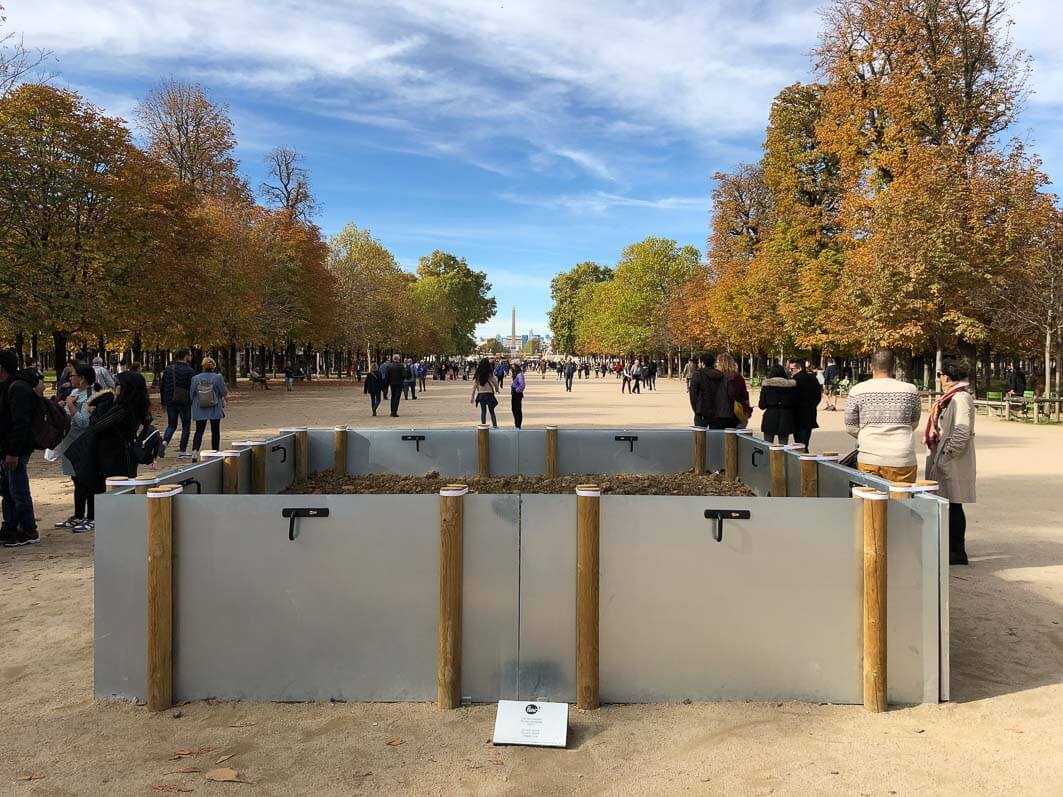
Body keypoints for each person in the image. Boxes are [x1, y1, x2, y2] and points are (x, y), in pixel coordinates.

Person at [925, 359, 977, 565]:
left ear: (946, 376)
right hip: (947, 455)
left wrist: (947, 453)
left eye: (939, 375)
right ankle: (950, 548)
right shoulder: (952, 397)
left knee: (954, 503)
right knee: (948, 502)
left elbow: (962, 429)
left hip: (953, 458)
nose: (939, 379)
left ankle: (956, 550)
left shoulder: (960, 398)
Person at [844, 348, 922, 482]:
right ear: (894, 366)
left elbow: (850, 426)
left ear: (871, 366)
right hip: (902, 457)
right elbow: (914, 422)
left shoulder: (857, 390)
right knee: (903, 500)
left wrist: (866, 434)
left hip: (869, 457)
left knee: (869, 501)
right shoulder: (910, 390)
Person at [0, 350, 39, 546]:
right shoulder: (7, 386)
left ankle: (28, 528)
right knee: (8, 490)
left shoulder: (17, 388)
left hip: (15, 449)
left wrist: (13, 452)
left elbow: (20, 424)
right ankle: (11, 526)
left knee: (18, 490)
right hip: (6, 448)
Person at [53, 362, 98, 531]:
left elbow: (83, 422)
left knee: (86, 481)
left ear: (82, 378)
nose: (70, 378)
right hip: (70, 444)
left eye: (72, 375)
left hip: (83, 445)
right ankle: (78, 515)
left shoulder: (91, 396)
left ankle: (91, 516)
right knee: (76, 480)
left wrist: (70, 406)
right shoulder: (74, 393)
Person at [159, 349, 194, 460]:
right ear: (185, 356)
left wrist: (163, 402)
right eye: (190, 355)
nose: (191, 357)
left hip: (170, 401)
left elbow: (162, 386)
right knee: (186, 425)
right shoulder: (189, 371)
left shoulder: (169, 369)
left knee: (171, 425)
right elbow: (191, 388)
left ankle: (164, 442)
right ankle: (182, 450)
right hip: (184, 402)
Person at [190, 357, 228, 455]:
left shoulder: (195, 378)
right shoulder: (218, 377)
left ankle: (195, 451)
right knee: (215, 431)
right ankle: (215, 451)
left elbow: (191, 393)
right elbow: (224, 392)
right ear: (214, 366)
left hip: (199, 407)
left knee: (199, 430)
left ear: (203, 366)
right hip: (214, 407)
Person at [689, 352, 735, 429]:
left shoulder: (697, 375)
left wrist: (696, 410)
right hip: (720, 414)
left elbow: (693, 395)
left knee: (700, 438)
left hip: (702, 412)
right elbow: (731, 395)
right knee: (716, 439)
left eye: (699, 362)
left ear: (703, 364)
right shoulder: (723, 376)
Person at [787, 357, 822, 449]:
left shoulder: (794, 381)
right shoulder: (813, 379)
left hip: (797, 415)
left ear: (799, 368)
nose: (790, 371)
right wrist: (812, 405)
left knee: (798, 442)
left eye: (791, 369)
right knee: (805, 442)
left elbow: (791, 398)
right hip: (810, 413)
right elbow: (818, 396)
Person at [758, 364, 797, 444]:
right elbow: (794, 402)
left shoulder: (766, 386)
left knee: (768, 444)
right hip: (785, 415)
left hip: (770, 415)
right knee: (783, 444)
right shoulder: (790, 386)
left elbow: (762, 405)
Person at [717, 353, 751, 429]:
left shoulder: (718, 378)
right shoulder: (738, 377)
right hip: (736, 414)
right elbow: (745, 396)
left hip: (720, 415)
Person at [471, 358, 500, 427]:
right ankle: (495, 426)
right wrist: (497, 389)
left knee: (483, 411)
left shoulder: (478, 374)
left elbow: (474, 386)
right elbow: (495, 382)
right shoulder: (490, 373)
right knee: (492, 411)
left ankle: (483, 426)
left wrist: (472, 397)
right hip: (489, 394)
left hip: (481, 394)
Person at [510, 361, 526, 429]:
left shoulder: (520, 374)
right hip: (514, 393)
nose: (512, 366)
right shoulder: (516, 373)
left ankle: (518, 425)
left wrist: (517, 390)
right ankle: (516, 424)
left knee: (517, 409)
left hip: (517, 393)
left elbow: (522, 385)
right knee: (514, 409)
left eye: (513, 365)